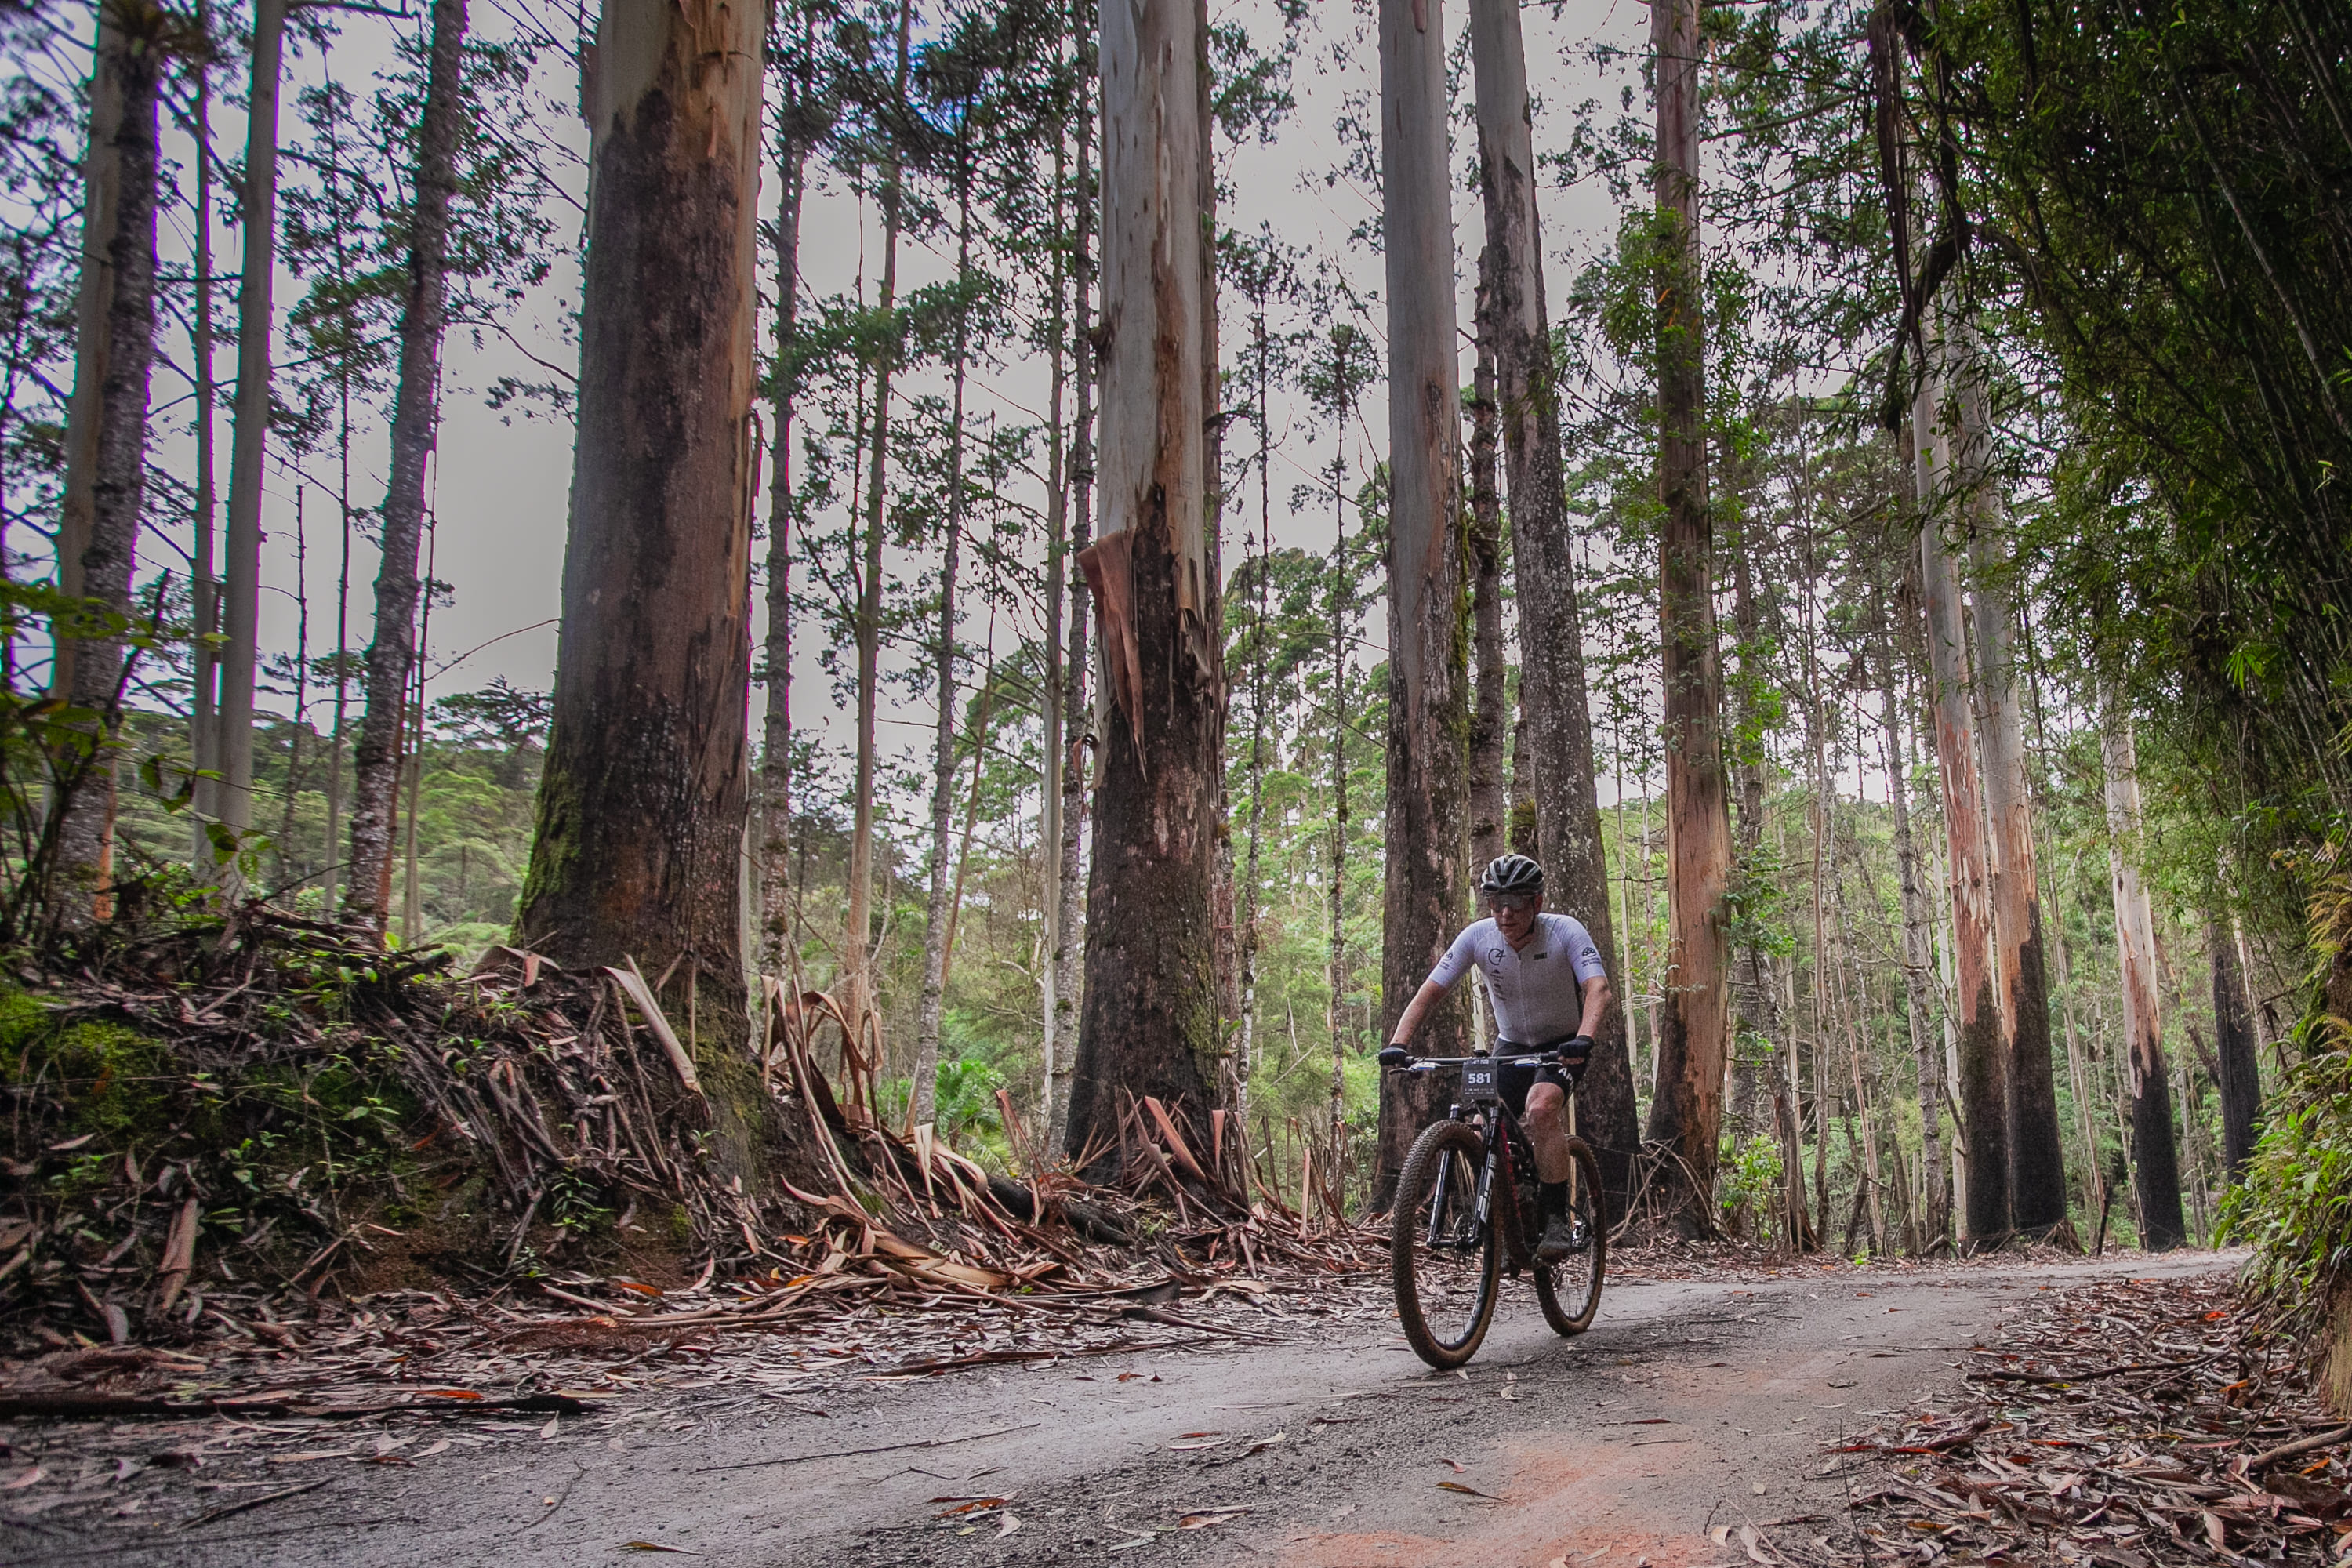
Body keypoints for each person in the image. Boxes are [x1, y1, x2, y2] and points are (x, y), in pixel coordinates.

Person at [1385, 852, 1611, 1261]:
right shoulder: (1478, 937)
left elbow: (1599, 989)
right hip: (1509, 1045)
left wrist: (1584, 1039)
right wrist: (1399, 1044)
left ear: (1537, 903)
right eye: (1495, 902)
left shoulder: (1564, 932)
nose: (1504, 913)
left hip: (1561, 1045)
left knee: (1541, 1110)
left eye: (1516, 902)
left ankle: (1557, 1217)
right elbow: (1430, 992)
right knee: (1476, 1128)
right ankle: (1508, 1209)